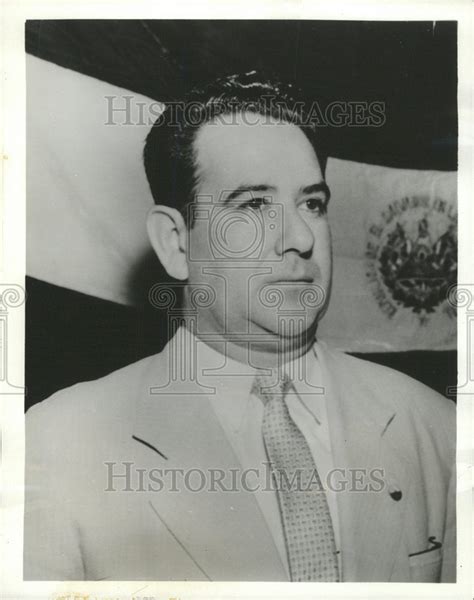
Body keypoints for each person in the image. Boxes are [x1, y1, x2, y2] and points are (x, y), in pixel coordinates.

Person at [24, 72, 455, 582]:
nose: (299, 238)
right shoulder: (59, 444)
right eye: (253, 205)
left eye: (312, 204)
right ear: (176, 244)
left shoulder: (437, 427)